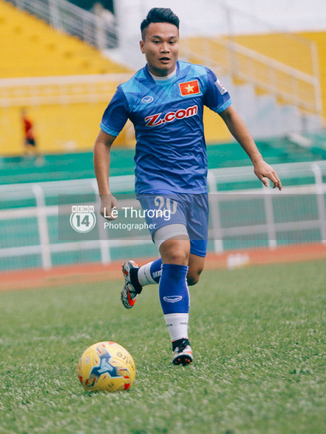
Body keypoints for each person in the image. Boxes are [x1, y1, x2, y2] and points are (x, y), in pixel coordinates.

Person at [93, 8, 282, 366]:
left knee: (191, 272)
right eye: (157, 41)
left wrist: (257, 159)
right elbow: (102, 143)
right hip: (155, 185)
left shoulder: (199, 78)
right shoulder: (129, 92)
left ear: (178, 44)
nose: (165, 48)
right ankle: (181, 344)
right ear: (142, 46)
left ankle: (137, 275)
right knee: (176, 254)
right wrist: (105, 192)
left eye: (172, 41)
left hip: (194, 186)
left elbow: (229, 113)